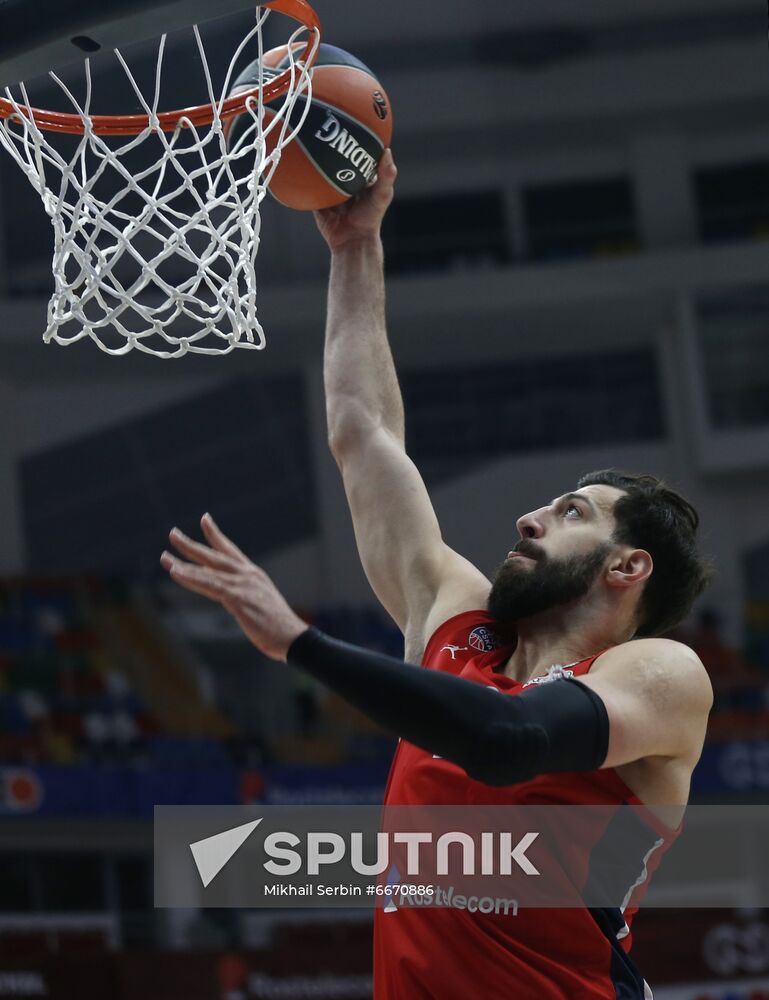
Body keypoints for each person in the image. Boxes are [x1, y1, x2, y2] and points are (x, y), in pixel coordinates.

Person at [160, 151, 714, 998]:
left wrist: (300, 644)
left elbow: (506, 741)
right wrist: (355, 248)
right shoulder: (460, 621)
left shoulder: (658, 676)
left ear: (627, 566)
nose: (530, 518)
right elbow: (362, 432)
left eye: (571, 513)